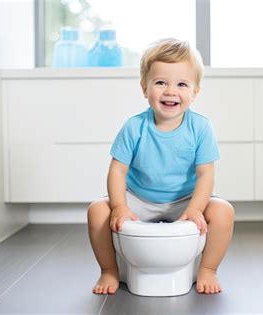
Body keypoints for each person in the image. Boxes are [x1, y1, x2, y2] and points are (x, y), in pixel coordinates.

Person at [87, 38, 235, 295]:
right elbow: (118, 170)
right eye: (160, 82)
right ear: (145, 88)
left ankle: (208, 269)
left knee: (223, 212)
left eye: (181, 84)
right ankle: (109, 270)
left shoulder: (200, 127)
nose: (170, 91)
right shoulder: (134, 127)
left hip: (186, 198)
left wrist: (196, 208)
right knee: (97, 211)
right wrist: (120, 206)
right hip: (139, 198)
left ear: (195, 91)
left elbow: (205, 174)